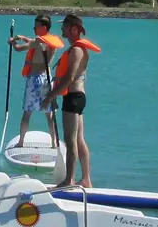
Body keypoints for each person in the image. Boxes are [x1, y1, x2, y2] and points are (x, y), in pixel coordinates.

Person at [52, 13, 100, 187]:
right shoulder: (76, 48)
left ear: (73, 29)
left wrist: (51, 95)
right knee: (78, 139)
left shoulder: (77, 50)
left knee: (70, 140)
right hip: (77, 97)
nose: (61, 29)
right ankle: (85, 179)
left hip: (73, 98)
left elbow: (70, 77)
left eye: (64, 26)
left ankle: (69, 180)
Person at [8, 15, 64, 146]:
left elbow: (18, 49)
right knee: (49, 114)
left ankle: (21, 142)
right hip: (46, 78)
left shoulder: (38, 42)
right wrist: (23, 38)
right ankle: (54, 142)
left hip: (34, 80)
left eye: (36, 26)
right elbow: (34, 43)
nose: (33, 29)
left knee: (27, 113)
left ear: (44, 27)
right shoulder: (50, 41)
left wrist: (13, 42)